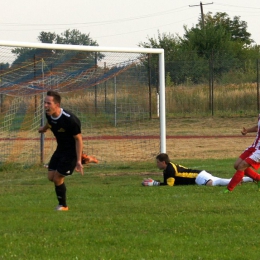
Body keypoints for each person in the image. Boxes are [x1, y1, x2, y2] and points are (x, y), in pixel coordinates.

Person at [38, 90, 83, 211]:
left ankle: (63, 205)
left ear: (57, 105)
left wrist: (78, 160)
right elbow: (50, 122)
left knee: (57, 178)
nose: (45, 106)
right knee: (51, 177)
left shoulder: (70, 120)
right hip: (60, 150)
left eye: (48, 103)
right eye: (45, 103)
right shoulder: (49, 114)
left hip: (71, 152)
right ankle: (84, 159)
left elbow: (78, 140)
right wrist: (44, 128)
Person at [142, 153, 253, 187]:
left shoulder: (170, 169)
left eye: (157, 162)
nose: (156, 164)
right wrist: (155, 181)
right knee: (222, 181)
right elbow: (167, 183)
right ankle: (251, 179)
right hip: (200, 175)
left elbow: (169, 185)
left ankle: (248, 179)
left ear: (163, 162)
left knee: (213, 183)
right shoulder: (168, 168)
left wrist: (154, 184)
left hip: (198, 177)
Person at [224, 117, 260, 193]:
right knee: (237, 165)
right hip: (254, 146)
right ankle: (258, 178)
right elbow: (258, 127)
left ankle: (228, 189)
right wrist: (247, 130)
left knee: (242, 166)